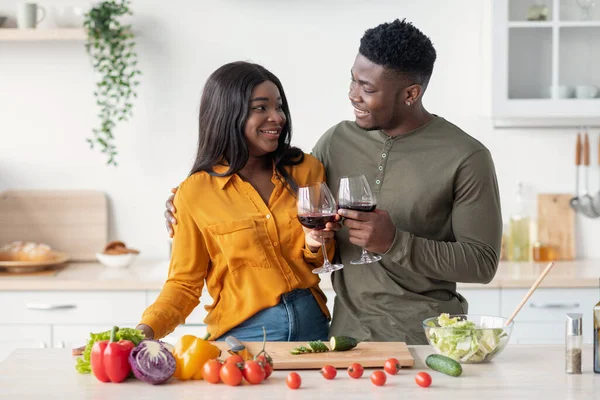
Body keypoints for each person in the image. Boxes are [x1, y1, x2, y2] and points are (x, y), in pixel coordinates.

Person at [165, 19, 502, 344]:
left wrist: (396, 242)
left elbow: (482, 263)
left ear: (410, 93)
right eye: (353, 80)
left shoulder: (466, 156)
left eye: (367, 88)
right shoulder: (336, 142)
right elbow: (288, 198)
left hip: (429, 338)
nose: (353, 95)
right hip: (344, 337)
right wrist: (187, 204)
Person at [138, 61, 335, 342]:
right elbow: (183, 284)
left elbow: (328, 255)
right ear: (227, 114)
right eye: (260, 108)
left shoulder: (307, 170)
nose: (277, 117)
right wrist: (141, 334)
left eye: (279, 106)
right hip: (244, 335)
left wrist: (316, 244)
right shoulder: (195, 193)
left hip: (313, 327)